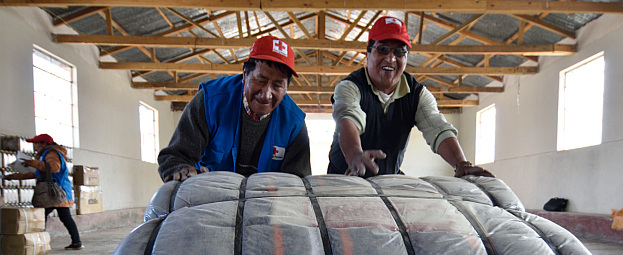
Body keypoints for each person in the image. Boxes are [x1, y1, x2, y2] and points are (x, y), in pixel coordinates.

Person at [328, 16, 494, 179]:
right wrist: (355, 154)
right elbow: (348, 119)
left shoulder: (418, 94)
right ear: (368, 54)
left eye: (399, 52)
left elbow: (437, 127)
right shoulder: (350, 87)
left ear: (406, 58)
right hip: (344, 178)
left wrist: (462, 164)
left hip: (388, 181)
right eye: (383, 49)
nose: (391, 58)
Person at [158, 35, 312, 182]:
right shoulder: (210, 101)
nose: (266, 95)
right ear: (245, 74)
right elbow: (174, 157)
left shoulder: (294, 124)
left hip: (265, 204)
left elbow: (298, 184)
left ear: (286, 88)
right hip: (210, 199)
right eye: (260, 80)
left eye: (278, 85)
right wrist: (182, 171)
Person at [3, 134, 83, 250]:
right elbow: (36, 173)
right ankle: (75, 242)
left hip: (56, 192)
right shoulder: (45, 154)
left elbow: (54, 168)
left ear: (44, 144)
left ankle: (39, 241)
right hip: (54, 192)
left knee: (43, 216)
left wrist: (33, 163)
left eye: (36, 144)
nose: (34, 146)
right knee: (60, 216)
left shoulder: (51, 153)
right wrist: (13, 176)